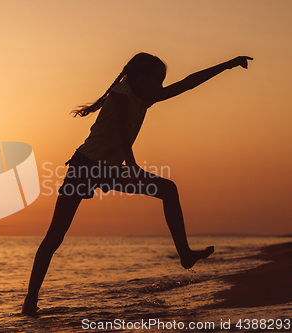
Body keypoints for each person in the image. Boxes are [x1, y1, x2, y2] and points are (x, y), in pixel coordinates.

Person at [22, 53, 253, 315]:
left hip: (107, 170)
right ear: (141, 80)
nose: (162, 87)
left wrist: (227, 64)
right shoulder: (121, 93)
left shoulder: (145, 95)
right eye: (159, 81)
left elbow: (187, 83)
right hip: (84, 167)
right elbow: (121, 129)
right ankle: (30, 301)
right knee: (55, 236)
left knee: (168, 189)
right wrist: (131, 166)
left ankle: (185, 254)